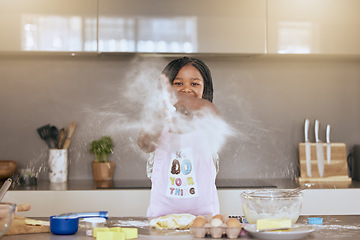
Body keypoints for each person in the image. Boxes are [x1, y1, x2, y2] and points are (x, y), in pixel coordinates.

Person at [138, 57, 224, 218]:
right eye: (178, 83)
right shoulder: (159, 119)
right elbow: (145, 144)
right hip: (162, 219)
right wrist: (159, 115)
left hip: (204, 219)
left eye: (194, 83)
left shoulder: (208, 119)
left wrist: (180, 99)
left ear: (205, 90)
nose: (186, 88)